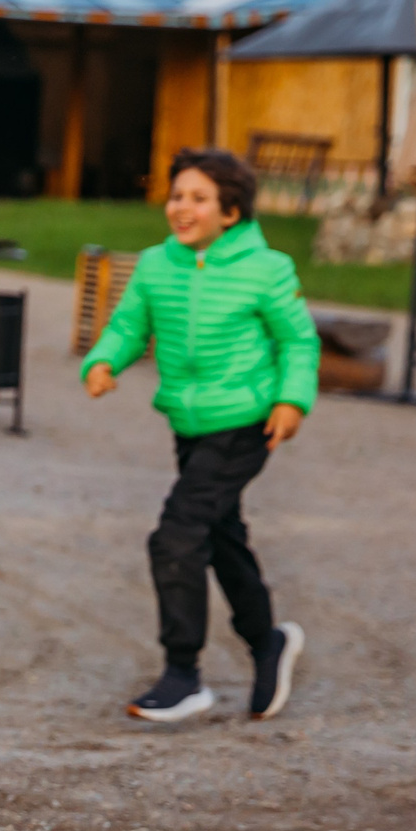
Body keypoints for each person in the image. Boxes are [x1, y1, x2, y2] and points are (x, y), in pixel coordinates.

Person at [81, 145, 314, 724]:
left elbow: (298, 341)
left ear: (230, 213)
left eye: (198, 199)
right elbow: (130, 323)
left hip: (244, 422)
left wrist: (291, 398)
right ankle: (268, 640)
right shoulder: (158, 265)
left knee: (176, 536)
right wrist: (105, 361)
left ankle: (183, 674)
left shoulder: (267, 269)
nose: (182, 208)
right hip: (189, 424)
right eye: (176, 196)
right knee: (221, 535)